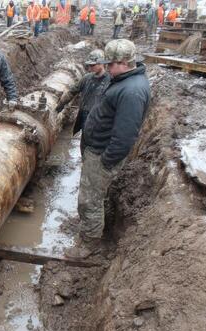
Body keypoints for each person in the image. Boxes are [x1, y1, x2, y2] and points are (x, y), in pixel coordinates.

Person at [66, 39, 150, 259]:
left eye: (110, 64)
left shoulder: (132, 91)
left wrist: (105, 161)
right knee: (94, 197)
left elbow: (125, 135)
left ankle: (88, 244)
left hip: (102, 153)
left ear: (123, 62)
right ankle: (93, 228)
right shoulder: (125, 80)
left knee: (89, 199)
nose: (108, 69)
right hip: (98, 148)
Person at [55, 49, 110, 137]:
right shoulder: (87, 78)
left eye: (92, 65)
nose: (90, 68)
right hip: (84, 116)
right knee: (85, 139)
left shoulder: (110, 81)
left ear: (101, 63)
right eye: (89, 65)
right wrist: (60, 105)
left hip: (99, 119)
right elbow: (72, 92)